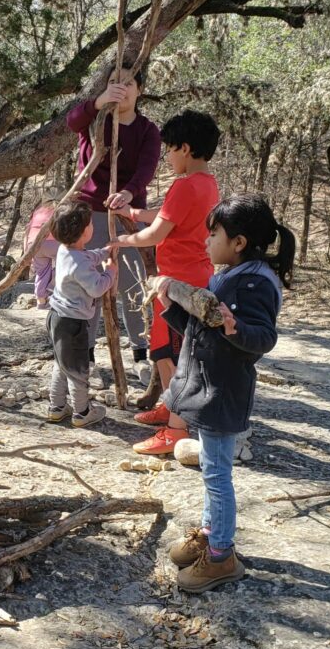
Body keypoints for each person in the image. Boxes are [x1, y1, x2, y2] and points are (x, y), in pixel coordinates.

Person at [157, 194, 296, 592]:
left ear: (238, 241)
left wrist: (236, 328)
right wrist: (171, 304)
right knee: (210, 470)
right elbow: (205, 327)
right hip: (207, 387)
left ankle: (221, 556)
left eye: (213, 233)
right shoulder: (230, 274)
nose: (206, 241)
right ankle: (208, 531)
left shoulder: (254, 282)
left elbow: (262, 336)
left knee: (217, 474)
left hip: (223, 392)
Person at [109, 109, 221, 455]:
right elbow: (165, 217)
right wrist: (130, 213)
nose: (168, 157)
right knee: (165, 350)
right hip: (188, 279)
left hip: (177, 285)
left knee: (174, 355)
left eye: (170, 149)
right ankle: (172, 408)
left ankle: (177, 427)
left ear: (185, 148)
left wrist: (120, 241)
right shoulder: (207, 184)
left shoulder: (185, 185)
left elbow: (157, 232)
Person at [66, 64, 161, 387]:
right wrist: (98, 101)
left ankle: (140, 354)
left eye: (128, 83)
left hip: (129, 215)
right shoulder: (95, 121)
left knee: (132, 285)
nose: (121, 88)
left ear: (140, 90)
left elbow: (147, 167)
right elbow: (71, 121)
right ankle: (87, 355)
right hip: (89, 212)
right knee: (89, 284)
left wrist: (128, 193)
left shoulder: (148, 129)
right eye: (113, 82)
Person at [44, 200, 117, 428]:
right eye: (90, 224)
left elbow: (87, 257)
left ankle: (56, 408)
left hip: (56, 317)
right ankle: (82, 411)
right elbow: (96, 287)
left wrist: (103, 252)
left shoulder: (66, 250)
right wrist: (110, 274)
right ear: (84, 231)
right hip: (72, 324)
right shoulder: (79, 262)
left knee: (61, 363)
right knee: (77, 369)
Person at [23, 201, 59, 309]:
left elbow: (27, 230)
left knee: (42, 272)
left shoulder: (37, 212)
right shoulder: (58, 210)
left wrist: (26, 251)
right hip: (53, 241)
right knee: (63, 265)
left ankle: (41, 301)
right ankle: (51, 289)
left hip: (34, 244)